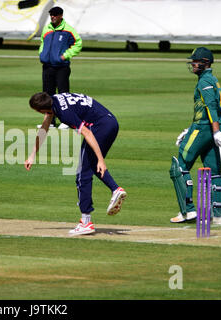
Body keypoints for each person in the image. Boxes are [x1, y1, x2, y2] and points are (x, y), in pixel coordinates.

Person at [25, 92, 127, 235]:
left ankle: (86, 222)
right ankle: (115, 189)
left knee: (82, 173)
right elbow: (44, 127)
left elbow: (87, 133)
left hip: (99, 127)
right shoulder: (54, 100)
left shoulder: (65, 113)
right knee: (90, 165)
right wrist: (32, 154)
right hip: (111, 123)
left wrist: (101, 160)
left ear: (41, 110)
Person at [170, 47, 221, 225]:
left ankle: (188, 211)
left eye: (195, 61)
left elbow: (211, 107)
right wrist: (191, 130)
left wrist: (215, 130)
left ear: (205, 63)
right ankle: (219, 215)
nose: (193, 64)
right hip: (208, 129)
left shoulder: (205, 82)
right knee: (214, 171)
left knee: (179, 166)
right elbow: (206, 110)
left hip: (204, 128)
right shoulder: (212, 80)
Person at [38, 6, 82, 129]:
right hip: (47, 66)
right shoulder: (47, 29)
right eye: (51, 14)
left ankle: (67, 121)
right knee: (47, 95)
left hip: (61, 67)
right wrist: (41, 54)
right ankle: (50, 122)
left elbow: (78, 44)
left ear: (61, 15)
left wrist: (65, 56)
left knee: (63, 95)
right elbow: (42, 43)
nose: (53, 16)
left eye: (55, 14)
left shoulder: (68, 30)